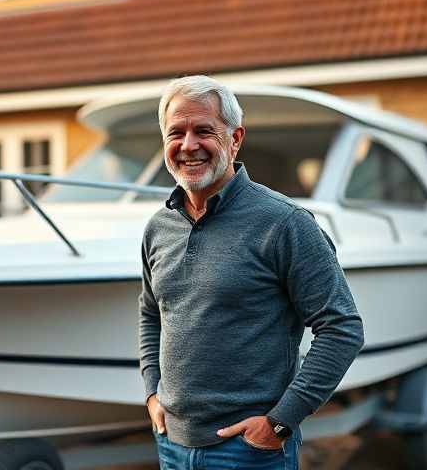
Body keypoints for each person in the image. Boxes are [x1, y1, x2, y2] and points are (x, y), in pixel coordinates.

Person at [138, 75, 364, 469]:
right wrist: (152, 393)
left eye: (204, 130)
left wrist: (279, 423)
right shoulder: (159, 227)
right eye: (176, 132)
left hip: (249, 452)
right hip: (172, 446)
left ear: (235, 138)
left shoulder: (285, 223)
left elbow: (342, 327)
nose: (188, 145)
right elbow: (151, 313)